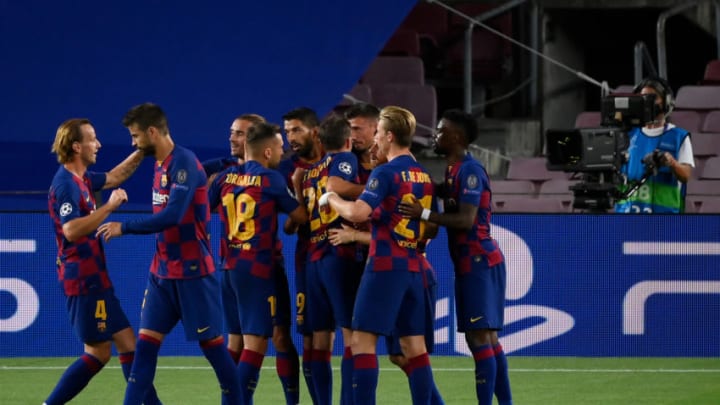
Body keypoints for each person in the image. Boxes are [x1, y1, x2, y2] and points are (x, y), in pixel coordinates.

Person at [95, 103, 241, 405]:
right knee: (145, 350)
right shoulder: (163, 163)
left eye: (136, 137)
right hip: (162, 274)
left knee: (213, 350)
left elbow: (173, 215)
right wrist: (227, 161)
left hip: (194, 275)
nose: (134, 144)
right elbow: (202, 170)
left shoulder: (182, 163)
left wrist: (125, 228)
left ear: (152, 132)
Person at [320, 106, 442, 405]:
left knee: (362, 342)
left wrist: (331, 197)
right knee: (414, 347)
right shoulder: (424, 175)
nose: (374, 138)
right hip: (415, 267)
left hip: (385, 267)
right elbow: (432, 229)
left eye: (377, 133)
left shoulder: (385, 172)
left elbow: (358, 211)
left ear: (389, 135)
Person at [399, 109, 513, 405]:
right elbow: (436, 190)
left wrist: (423, 213)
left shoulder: (470, 171)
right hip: (469, 263)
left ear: (458, 137)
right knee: (486, 338)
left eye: (441, 131)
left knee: (479, 339)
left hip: (479, 261)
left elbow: (465, 219)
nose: (435, 135)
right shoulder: (453, 171)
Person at [45, 118, 161, 405]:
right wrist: (109, 207)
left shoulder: (83, 178)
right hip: (83, 280)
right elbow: (71, 230)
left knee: (128, 345)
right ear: (76, 146)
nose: (98, 144)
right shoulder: (66, 186)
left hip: (96, 278)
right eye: (92, 139)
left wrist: (143, 150)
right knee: (97, 352)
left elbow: (114, 177)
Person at [203, 114, 303, 404]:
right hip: (261, 269)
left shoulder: (223, 178)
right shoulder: (271, 178)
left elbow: (204, 208)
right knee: (257, 343)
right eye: (280, 147)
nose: (284, 151)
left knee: (237, 340)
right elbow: (299, 217)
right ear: (268, 150)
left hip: (229, 267)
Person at [300, 115, 364, 405]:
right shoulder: (344, 159)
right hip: (338, 252)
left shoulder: (309, 171)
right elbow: (337, 186)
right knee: (352, 336)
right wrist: (379, 190)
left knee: (320, 338)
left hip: (313, 258)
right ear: (347, 140)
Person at [277, 106, 324, 404]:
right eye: (287, 131)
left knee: (351, 339)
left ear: (314, 131)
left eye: (296, 130)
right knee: (309, 337)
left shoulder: (339, 161)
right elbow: (291, 226)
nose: (290, 137)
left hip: (343, 258)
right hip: (307, 259)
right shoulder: (286, 171)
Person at [614, 76, 694, 213]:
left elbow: (686, 175)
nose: (647, 102)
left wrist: (672, 163)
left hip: (663, 220)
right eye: (643, 97)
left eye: (653, 97)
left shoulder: (678, 136)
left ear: (666, 102)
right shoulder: (627, 134)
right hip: (627, 217)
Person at [344, 103, 380, 184]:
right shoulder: (345, 161)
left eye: (357, 129)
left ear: (377, 128)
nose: (352, 136)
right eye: (349, 130)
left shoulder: (395, 160)